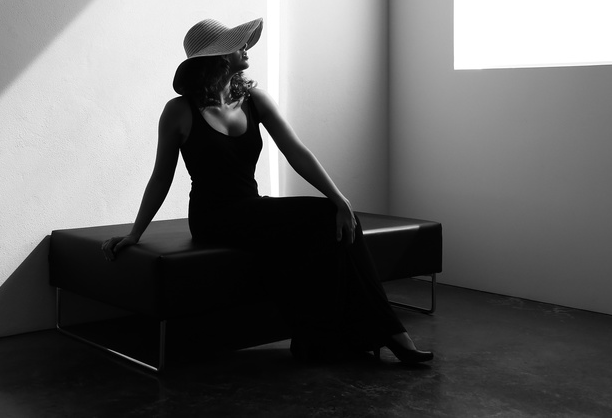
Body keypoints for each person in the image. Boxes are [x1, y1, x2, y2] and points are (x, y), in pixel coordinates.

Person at [101, 18, 433, 365]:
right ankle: (390, 334)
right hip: (213, 218)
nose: (246, 46)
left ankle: (320, 339)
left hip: (251, 208)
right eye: (236, 43)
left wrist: (339, 198)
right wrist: (135, 233)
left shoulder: (254, 100)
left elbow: (296, 152)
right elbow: (161, 178)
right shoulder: (179, 111)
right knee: (324, 217)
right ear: (218, 57)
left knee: (334, 225)